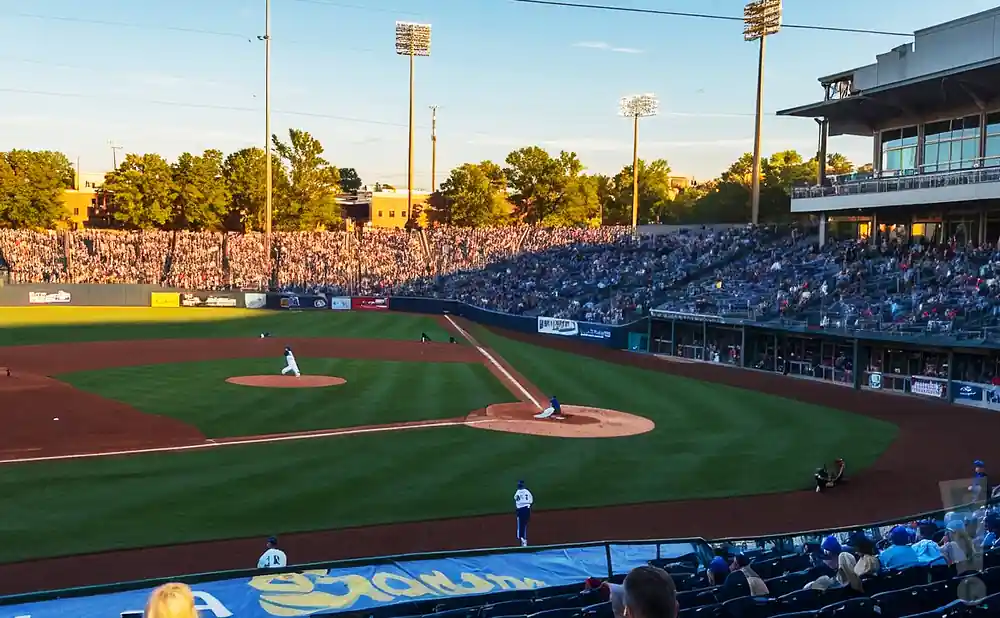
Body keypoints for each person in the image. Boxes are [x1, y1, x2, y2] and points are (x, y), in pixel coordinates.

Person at [514, 480, 533, 547]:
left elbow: (516, 499)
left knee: (520, 525)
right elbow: (531, 500)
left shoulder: (518, 492)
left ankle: (522, 539)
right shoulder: (527, 491)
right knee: (524, 524)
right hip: (527, 509)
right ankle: (523, 539)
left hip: (521, 510)